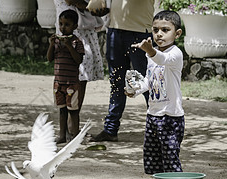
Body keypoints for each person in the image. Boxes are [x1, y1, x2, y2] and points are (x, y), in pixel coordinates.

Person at [125, 10, 184, 174]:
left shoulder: (175, 54)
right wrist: (135, 90)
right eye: (155, 30)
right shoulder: (152, 55)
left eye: (165, 30)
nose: (159, 34)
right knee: (153, 162)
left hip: (170, 117)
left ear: (177, 33)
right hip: (153, 115)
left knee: (171, 160)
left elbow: (161, 59)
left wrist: (149, 50)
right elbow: (149, 80)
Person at [90, 0, 155, 142]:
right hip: (115, 31)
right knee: (116, 82)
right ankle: (110, 129)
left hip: (140, 33)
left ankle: (159, 127)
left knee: (147, 82)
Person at [53, 0, 104, 144]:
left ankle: (71, 130)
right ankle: (69, 130)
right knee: (76, 79)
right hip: (76, 30)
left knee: (79, 80)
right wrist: (92, 7)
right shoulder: (69, 30)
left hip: (81, 30)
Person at [47, 9, 85, 144]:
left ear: (75, 26)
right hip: (58, 83)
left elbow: (78, 60)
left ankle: (75, 136)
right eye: (61, 24)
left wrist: (69, 46)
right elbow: (49, 58)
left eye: (67, 24)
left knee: (73, 111)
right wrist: (51, 44)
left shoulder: (76, 42)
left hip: (72, 84)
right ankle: (62, 135)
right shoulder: (57, 41)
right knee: (62, 110)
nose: (63, 28)